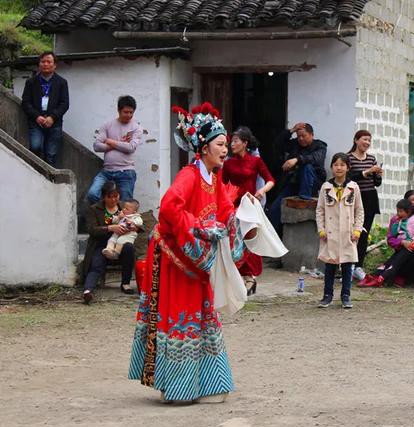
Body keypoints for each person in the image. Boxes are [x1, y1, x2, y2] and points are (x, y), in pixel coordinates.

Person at [129, 102, 257, 403]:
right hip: (174, 256)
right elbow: (169, 208)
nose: (225, 150)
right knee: (181, 316)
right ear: (204, 148)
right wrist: (199, 228)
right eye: (220, 144)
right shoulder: (189, 176)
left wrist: (243, 220)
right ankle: (177, 388)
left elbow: (224, 210)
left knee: (204, 315)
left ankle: (208, 384)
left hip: (196, 258)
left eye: (226, 144)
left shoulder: (214, 178)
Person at [221, 126, 275, 295]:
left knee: (250, 241)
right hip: (233, 206)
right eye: (231, 141)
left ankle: (250, 277)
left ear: (245, 143)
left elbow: (270, 180)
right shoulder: (228, 163)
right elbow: (222, 184)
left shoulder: (255, 161)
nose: (232, 144)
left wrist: (261, 191)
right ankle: (241, 277)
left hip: (249, 206)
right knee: (235, 241)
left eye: (235, 141)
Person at [316, 153, 364, 309]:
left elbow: (359, 210)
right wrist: (321, 229)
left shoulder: (353, 187)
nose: (339, 168)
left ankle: (346, 296)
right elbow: (320, 210)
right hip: (330, 233)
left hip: (347, 232)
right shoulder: (325, 187)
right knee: (330, 266)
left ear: (348, 167)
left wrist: (357, 230)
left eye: (342, 165)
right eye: (336, 164)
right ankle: (327, 295)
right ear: (331, 167)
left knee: (347, 266)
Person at [81, 182, 142, 303]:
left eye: (116, 196)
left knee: (129, 248)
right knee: (96, 264)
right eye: (110, 197)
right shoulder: (94, 209)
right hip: (102, 244)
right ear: (104, 197)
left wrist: (134, 227)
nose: (114, 199)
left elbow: (139, 222)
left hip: (121, 243)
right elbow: (92, 230)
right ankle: (88, 290)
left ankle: (125, 283)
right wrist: (110, 228)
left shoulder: (124, 206)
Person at [358, 198, 414, 288]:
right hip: (403, 250)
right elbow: (390, 238)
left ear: (408, 211)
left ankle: (382, 277)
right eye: (397, 211)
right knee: (398, 257)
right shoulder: (397, 221)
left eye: (401, 211)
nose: (398, 213)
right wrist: (402, 242)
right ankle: (377, 276)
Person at [268, 122, 327, 235]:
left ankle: (304, 197)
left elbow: (315, 158)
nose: (300, 139)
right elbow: (277, 144)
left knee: (307, 166)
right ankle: (273, 238)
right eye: (298, 136)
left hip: (311, 185)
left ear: (312, 135)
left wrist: (297, 160)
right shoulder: (295, 144)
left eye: (303, 136)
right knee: (274, 209)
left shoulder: (320, 146)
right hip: (293, 183)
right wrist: (291, 130)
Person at [86, 95, 143, 204]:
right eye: (126, 112)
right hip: (107, 171)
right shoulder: (108, 125)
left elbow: (131, 148)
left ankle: (117, 213)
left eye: (131, 112)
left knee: (125, 203)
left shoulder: (136, 128)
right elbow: (97, 146)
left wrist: (110, 141)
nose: (129, 115)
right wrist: (120, 144)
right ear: (118, 110)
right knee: (92, 194)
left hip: (126, 171)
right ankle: (108, 211)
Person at [20, 51, 69, 166]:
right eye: (43, 61)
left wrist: (52, 117)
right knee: (35, 147)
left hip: (54, 123)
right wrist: (37, 116)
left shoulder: (61, 82)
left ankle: (48, 176)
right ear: (39, 64)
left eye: (49, 62)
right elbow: (25, 102)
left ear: (54, 65)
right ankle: (35, 172)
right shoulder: (31, 82)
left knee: (51, 154)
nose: (46, 64)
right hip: (36, 122)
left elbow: (64, 103)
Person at [347, 130, 383, 281]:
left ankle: (358, 266)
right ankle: (347, 265)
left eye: (369, 140)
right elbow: (348, 178)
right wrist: (367, 171)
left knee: (364, 234)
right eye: (364, 139)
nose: (367, 143)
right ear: (356, 140)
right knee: (350, 232)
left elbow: (376, 183)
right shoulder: (348, 158)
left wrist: (378, 175)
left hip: (369, 198)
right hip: (353, 198)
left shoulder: (371, 158)